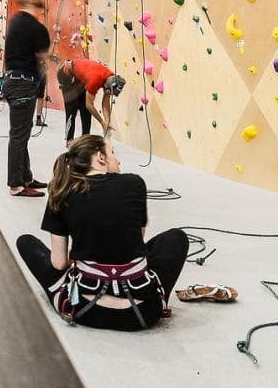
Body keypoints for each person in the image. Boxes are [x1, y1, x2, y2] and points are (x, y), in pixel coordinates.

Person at [14, 135, 189, 331]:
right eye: (113, 153)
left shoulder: (61, 191)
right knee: (176, 238)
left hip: (83, 310)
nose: (118, 159)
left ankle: (67, 291)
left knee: (26, 242)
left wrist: (82, 257)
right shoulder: (135, 183)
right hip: (143, 312)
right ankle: (148, 290)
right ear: (100, 158)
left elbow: (59, 263)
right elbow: (136, 242)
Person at [1, 0, 54, 197]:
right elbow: (43, 59)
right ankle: (16, 185)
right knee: (19, 135)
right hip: (23, 83)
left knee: (21, 132)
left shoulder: (16, 22)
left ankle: (26, 177)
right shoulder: (35, 27)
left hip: (13, 81)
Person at [56, 58, 127, 142]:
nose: (109, 94)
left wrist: (107, 122)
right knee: (72, 109)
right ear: (107, 86)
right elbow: (89, 105)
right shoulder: (95, 81)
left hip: (79, 77)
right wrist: (102, 122)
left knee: (85, 110)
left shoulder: (111, 77)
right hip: (66, 75)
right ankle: (69, 140)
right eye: (109, 92)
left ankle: (85, 139)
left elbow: (105, 103)